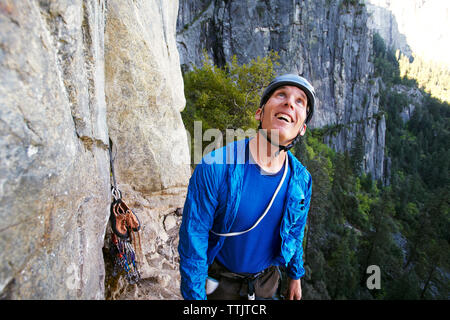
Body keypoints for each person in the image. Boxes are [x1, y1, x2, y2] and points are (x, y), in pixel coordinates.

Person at [178, 74, 315, 300]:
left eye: (300, 101)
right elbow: (194, 240)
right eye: (281, 95)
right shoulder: (216, 167)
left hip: (267, 285)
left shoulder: (301, 180)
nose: (290, 102)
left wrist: (295, 275)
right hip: (220, 285)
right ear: (259, 113)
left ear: (302, 129)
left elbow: (295, 230)